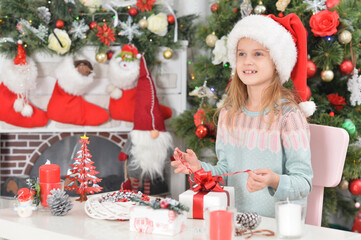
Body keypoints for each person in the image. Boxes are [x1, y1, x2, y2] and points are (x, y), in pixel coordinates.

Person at [171, 13, 315, 218]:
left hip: (275, 228)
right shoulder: (229, 114)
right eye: (241, 54)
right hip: (235, 223)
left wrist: (274, 180)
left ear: (276, 62)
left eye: (258, 54)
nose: (247, 61)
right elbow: (225, 171)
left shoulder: (289, 117)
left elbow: (304, 183)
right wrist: (198, 168)